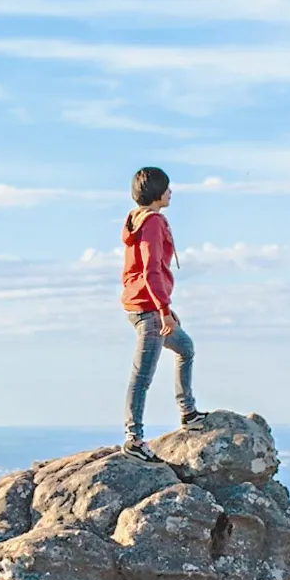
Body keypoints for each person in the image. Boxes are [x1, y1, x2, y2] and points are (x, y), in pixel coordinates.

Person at [120, 166, 205, 459]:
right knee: (142, 375)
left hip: (144, 305)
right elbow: (151, 269)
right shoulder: (152, 223)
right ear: (157, 193)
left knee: (185, 348)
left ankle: (188, 412)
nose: (171, 192)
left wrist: (166, 308)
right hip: (148, 310)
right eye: (167, 188)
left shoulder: (136, 219)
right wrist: (163, 310)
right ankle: (134, 439)